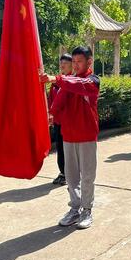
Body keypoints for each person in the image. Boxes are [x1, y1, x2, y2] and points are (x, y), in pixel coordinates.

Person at [40, 46, 100, 230]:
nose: (75, 65)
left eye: (79, 61)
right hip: (69, 134)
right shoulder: (67, 82)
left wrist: (56, 79)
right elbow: (58, 103)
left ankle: (87, 209)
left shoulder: (93, 80)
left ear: (89, 62)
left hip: (87, 135)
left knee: (87, 176)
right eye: (73, 61)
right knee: (72, 176)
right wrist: (49, 115)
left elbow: (78, 85)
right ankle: (75, 208)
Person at [48, 53, 73, 185]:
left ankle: (71, 173)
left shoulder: (72, 81)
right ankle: (63, 172)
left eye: (66, 63)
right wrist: (50, 115)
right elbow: (51, 100)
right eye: (61, 63)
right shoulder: (55, 83)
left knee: (69, 149)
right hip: (58, 121)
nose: (63, 66)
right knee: (60, 148)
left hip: (69, 122)